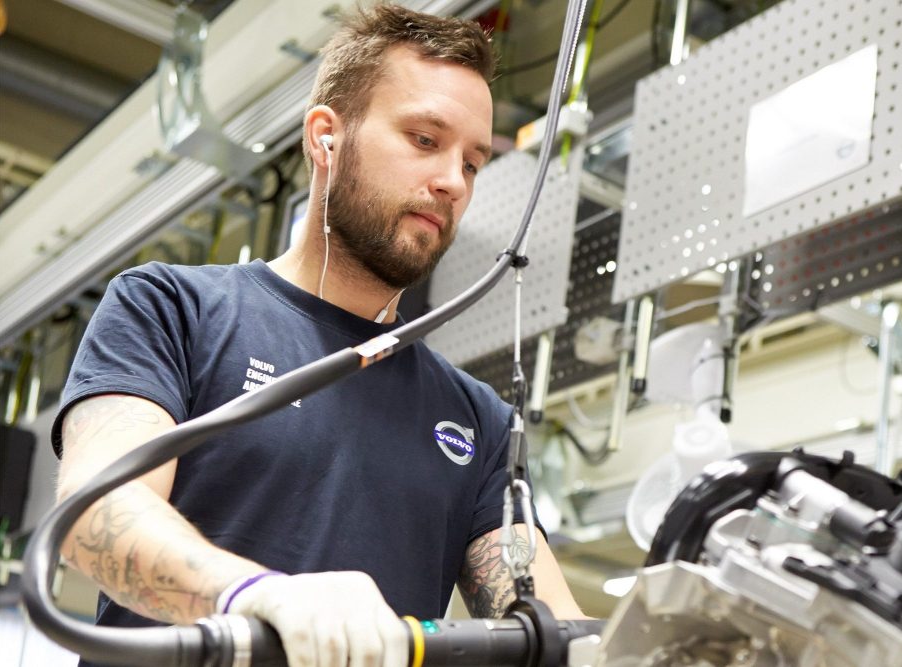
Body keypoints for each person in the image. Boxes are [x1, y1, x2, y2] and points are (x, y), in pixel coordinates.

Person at [53, 5, 585, 667]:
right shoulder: (173, 308)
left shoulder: (478, 420)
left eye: (473, 163)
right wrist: (252, 593)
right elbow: (94, 515)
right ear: (326, 138)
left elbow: (551, 626)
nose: (453, 181)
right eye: (425, 139)